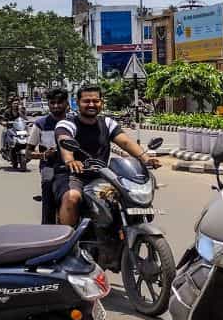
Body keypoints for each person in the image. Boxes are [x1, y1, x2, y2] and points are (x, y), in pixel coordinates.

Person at [56, 84, 159, 227]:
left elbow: (125, 142)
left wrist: (146, 158)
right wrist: (70, 160)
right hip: (73, 176)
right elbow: (64, 140)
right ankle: (68, 242)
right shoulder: (68, 123)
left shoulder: (107, 123)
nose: (91, 104)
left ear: (101, 103)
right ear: (78, 103)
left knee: (126, 196)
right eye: (86, 101)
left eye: (96, 101)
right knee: (72, 197)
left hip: (102, 175)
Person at [29, 88, 70, 225]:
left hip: (72, 165)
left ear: (66, 103)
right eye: (52, 103)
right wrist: (44, 155)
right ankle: (47, 226)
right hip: (50, 165)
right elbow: (28, 153)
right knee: (47, 183)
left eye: (60, 102)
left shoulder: (75, 122)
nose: (56, 106)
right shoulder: (40, 124)